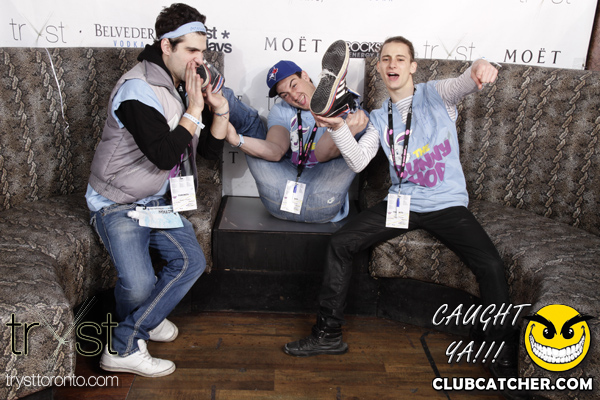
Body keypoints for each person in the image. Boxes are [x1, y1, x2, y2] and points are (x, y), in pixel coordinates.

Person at [284, 35, 521, 387]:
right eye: (385, 59)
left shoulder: (436, 94)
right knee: (340, 243)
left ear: (412, 66)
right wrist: (338, 128)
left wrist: (480, 66)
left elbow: (465, 81)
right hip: (402, 203)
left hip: (445, 203)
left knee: (490, 265)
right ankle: (327, 334)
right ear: (380, 68)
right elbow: (359, 161)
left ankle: (500, 355)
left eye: (399, 58)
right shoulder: (380, 118)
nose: (392, 64)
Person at [85, 3, 229, 377]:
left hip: (155, 200)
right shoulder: (137, 89)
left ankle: (140, 323)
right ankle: (124, 347)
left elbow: (209, 153)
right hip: (117, 201)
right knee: (139, 284)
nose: (200, 61)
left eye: (203, 52)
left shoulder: (180, 85)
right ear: (166, 46)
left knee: (191, 262)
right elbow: (165, 155)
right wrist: (194, 109)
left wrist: (218, 110)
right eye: (191, 51)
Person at [224, 40, 370, 223]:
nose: (292, 96)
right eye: (284, 95)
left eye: (293, 85)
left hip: (323, 195)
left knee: (358, 121)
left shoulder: (350, 113)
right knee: (252, 124)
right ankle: (213, 89)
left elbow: (322, 154)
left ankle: (336, 110)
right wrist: (236, 139)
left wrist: (344, 126)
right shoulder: (281, 110)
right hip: (279, 195)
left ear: (305, 76)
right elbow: (276, 150)